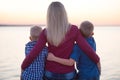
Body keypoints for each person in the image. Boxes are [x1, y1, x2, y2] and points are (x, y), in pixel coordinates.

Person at [21, 1, 100, 80]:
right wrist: (97, 61)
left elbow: (34, 52)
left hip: (50, 73)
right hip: (68, 74)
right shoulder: (74, 29)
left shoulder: (45, 32)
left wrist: (23, 67)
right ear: (64, 14)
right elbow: (86, 48)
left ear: (49, 16)